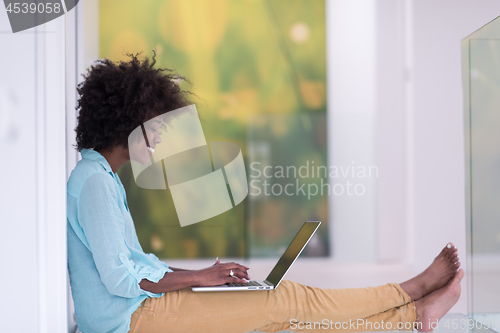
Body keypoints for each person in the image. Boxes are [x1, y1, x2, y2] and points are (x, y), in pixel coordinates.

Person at [67, 54, 463, 333]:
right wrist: (201, 276)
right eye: (154, 127)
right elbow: (121, 279)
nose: (157, 139)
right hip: (129, 322)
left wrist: (196, 279)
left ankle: (413, 318)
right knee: (284, 302)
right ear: (126, 123)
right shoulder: (95, 182)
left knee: (280, 314)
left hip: (134, 312)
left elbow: (134, 267)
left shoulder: (102, 177)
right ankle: (410, 292)